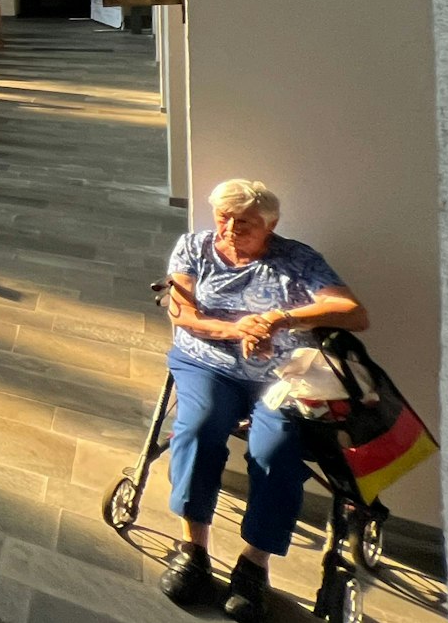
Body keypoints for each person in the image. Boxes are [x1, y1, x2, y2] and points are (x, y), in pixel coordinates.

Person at [155, 181, 368, 623]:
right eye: (223, 218)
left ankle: (254, 564)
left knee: (277, 451)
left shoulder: (298, 260)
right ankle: (193, 548)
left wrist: (278, 319)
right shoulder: (194, 248)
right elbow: (183, 314)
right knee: (199, 428)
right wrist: (238, 330)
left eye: (244, 223)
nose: (230, 229)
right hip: (207, 363)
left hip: (281, 377)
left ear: (270, 226)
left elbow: (353, 311)